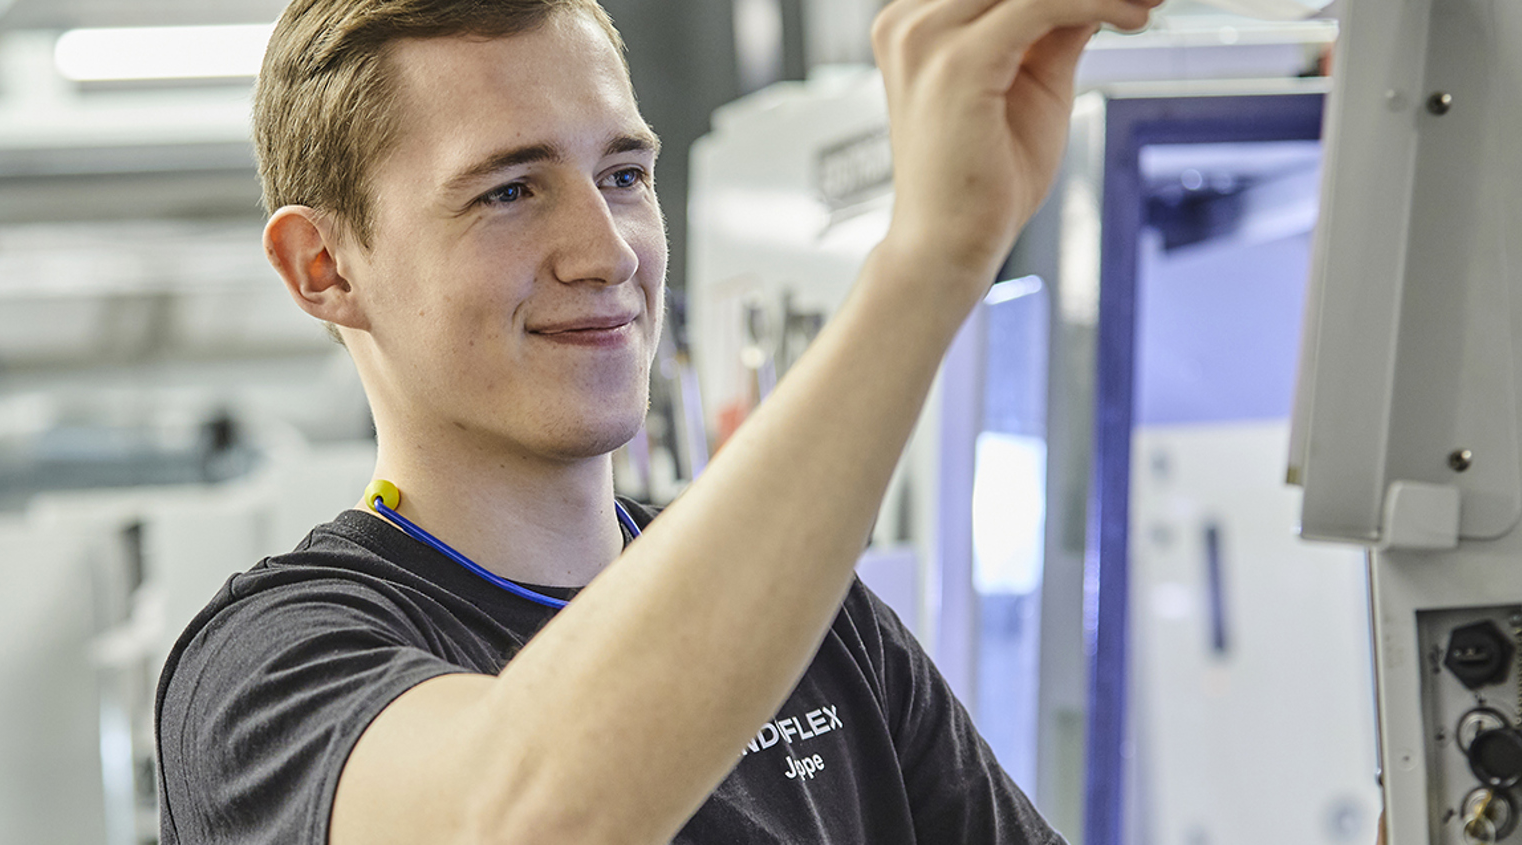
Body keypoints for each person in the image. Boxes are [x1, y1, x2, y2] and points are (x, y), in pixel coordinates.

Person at [155, 0, 1161, 842]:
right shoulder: (268, 664)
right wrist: (926, 261)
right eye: (509, 191)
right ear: (323, 268)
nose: (606, 251)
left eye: (624, 175)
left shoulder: (817, 621)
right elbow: (524, 815)